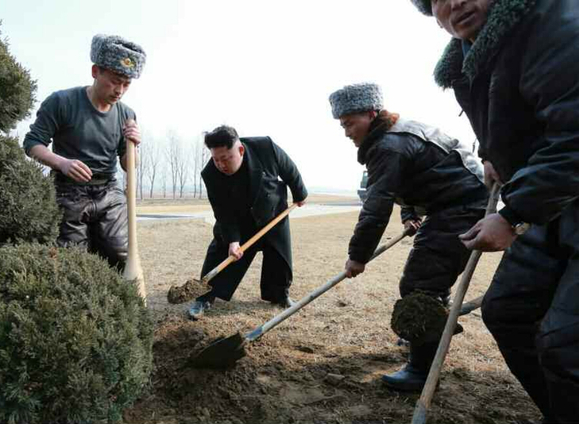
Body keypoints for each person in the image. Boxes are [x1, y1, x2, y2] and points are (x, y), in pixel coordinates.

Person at [410, 0, 579, 421]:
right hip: (556, 201)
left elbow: (575, 134)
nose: (455, 3)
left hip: (559, 189)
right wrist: (493, 153)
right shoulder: (468, 60)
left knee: (567, 344)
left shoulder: (556, 22)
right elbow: (517, 116)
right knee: (508, 312)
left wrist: (512, 214)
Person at [328, 82, 488, 391]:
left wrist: (357, 256)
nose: (346, 132)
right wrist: (410, 214)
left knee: (420, 284)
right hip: (456, 203)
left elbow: (376, 206)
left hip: (462, 208)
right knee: (428, 281)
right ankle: (427, 333)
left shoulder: (388, 145)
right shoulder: (395, 134)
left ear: (371, 113)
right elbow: (419, 177)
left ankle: (421, 372)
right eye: (342, 125)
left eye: (349, 123)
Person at [23, 34, 146, 271]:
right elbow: (32, 143)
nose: (119, 90)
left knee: (119, 253)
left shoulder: (126, 114)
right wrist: (62, 163)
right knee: (73, 261)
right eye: (115, 81)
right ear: (95, 72)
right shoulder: (61, 102)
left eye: (126, 84)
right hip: (67, 191)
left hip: (108, 191)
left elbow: (127, 164)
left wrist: (133, 144)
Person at [188, 125, 308, 320]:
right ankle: (203, 297)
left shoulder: (265, 147)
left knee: (279, 258)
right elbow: (222, 212)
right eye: (216, 159)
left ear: (240, 150)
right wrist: (233, 241)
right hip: (238, 219)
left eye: (226, 158)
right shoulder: (210, 174)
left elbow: (289, 168)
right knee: (220, 252)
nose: (221, 164)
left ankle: (279, 295)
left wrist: (300, 193)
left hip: (272, 213)